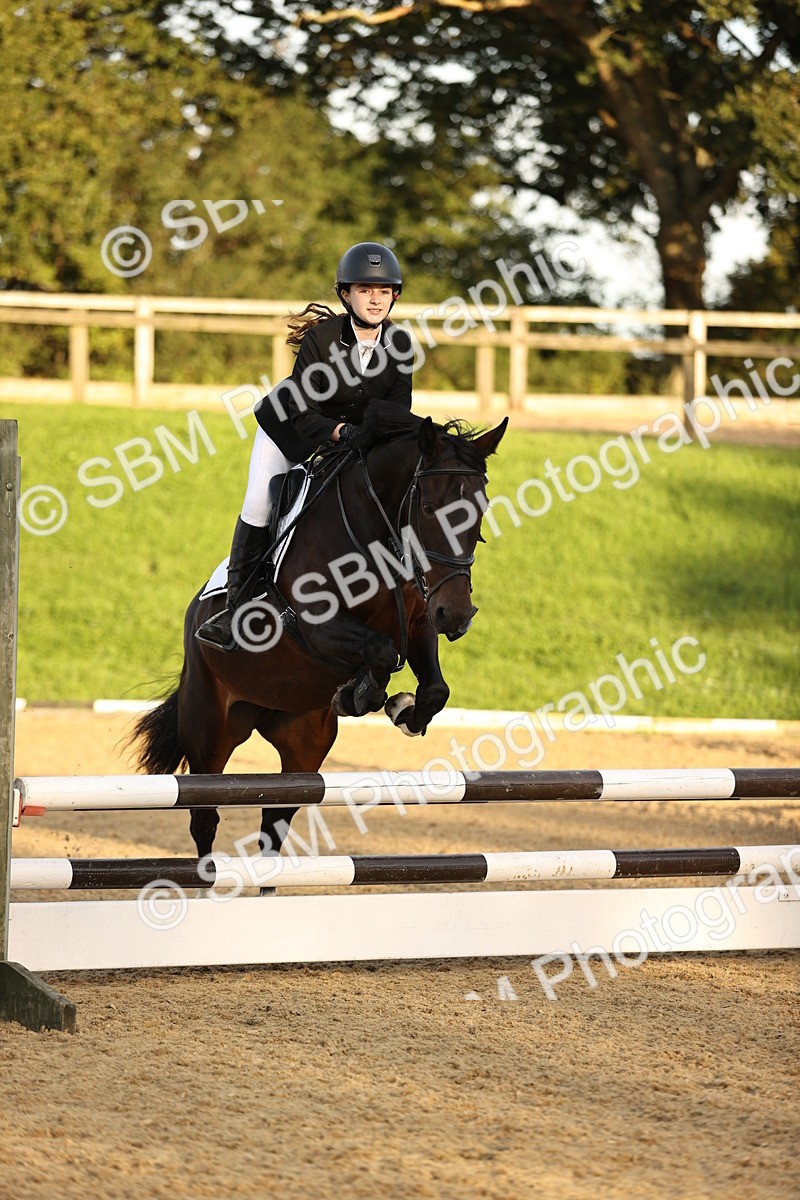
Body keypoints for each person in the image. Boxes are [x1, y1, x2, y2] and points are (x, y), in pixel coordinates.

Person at [196, 241, 414, 650]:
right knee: (260, 504)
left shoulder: (399, 346)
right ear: (345, 295)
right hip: (290, 429)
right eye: (365, 290)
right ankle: (235, 611)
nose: (375, 299)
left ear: (394, 296)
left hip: (352, 442)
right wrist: (343, 434)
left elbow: (398, 413)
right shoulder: (322, 340)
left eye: (383, 291)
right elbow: (305, 413)